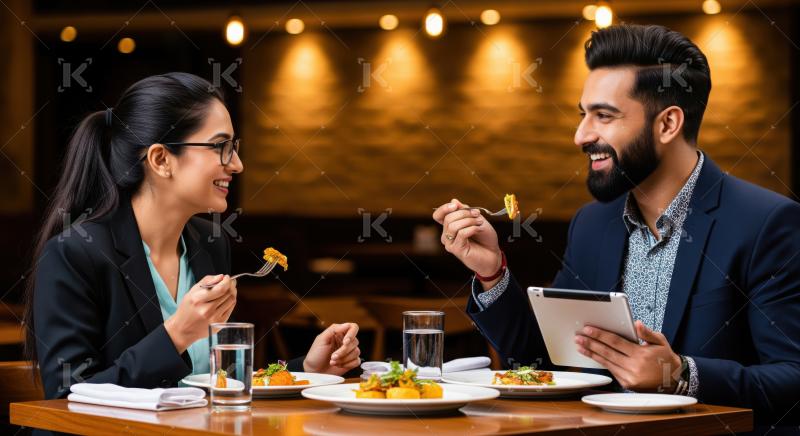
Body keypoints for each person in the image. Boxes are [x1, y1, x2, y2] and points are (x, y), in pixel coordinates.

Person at [434, 24, 800, 427]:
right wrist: (492, 273)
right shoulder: (592, 224)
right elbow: (543, 363)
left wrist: (679, 374)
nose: (580, 135)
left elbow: (793, 378)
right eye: (583, 114)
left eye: (604, 116)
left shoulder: (766, 223)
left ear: (668, 124)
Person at [25, 72, 361, 400]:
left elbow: (221, 382)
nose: (237, 164)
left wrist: (309, 370)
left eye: (234, 147)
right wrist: (177, 334)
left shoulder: (209, 243)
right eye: (220, 146)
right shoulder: (74, 253)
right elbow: (65, 398)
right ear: (161, 159)